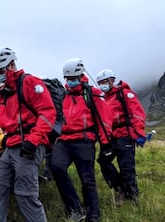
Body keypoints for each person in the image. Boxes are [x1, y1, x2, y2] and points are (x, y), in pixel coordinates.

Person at [0, 47, 56, 222]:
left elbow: (47, 113)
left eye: (2, 71)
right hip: (12, 146)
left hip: (29, 146)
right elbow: (3, 121)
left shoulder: (30, 83)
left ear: (12, 65)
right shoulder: (3, 93)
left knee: (25, 195)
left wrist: (34, 140)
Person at [50, 58, 112, 222]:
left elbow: (104, 119)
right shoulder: (63, 96)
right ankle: (75, 208)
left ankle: (93, 215)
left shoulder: (93, 93)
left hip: (85, 140)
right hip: (64, 140)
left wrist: (106, 144)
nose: (70, 82)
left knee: (87, 178)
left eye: (73, 78)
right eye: (67, 79)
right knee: (56, 167)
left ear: (81, 75)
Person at [96, 69, 147, 205]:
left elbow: (137, 113)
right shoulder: (103, 98)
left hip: (125, 135)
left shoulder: (124, 94)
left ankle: (133, 197)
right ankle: (120, 189)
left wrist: (138, 133)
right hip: (110, 137)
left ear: (112, 80)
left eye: (104, 82)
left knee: (126, 167)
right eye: (99, 83)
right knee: (103, 161)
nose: (102, 85)